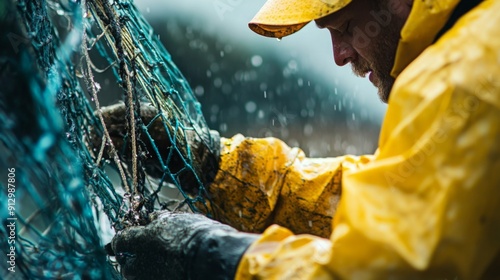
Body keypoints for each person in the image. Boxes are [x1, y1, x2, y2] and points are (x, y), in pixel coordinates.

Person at [110, 0, 500, 279]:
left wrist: (217, 257)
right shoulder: (480, 42)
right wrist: (217, 166)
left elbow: (386, 268)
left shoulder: (460, 76)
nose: (339, 56)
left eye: (345, 27)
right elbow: (407, 204)